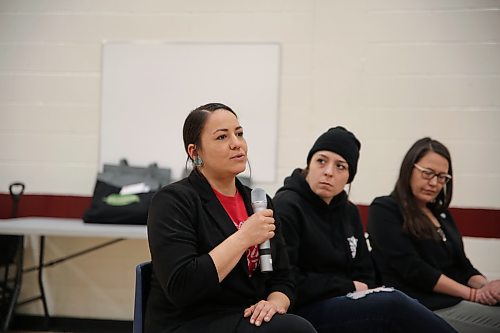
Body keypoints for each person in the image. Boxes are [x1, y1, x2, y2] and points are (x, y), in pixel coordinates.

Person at [145, 103, 317, 333]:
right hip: (189, 321)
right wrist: (244, 237)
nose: (237, 143)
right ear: (195, 153)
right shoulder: (173, 201)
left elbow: (284, 277)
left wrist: (274, 304)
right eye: (222, 137)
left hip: (244, 316)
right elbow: (183, 287)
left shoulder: (258, 201)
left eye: (239, 133)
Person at [273, 127, 457, 333]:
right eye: (321, 161)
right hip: (302, 310)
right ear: (309, 163)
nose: (328, 171)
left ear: (349, 177)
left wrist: (352, 287)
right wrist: (348, 286)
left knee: (395, 300)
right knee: (392, 304)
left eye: (340, 166)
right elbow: (287, 279)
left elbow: (366, 273)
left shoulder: (349, 211)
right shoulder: (287, 205)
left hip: (344, 301)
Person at [367, 137, 500, 333]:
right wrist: (473, 294)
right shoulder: (385, 209)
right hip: (421, 306)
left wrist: (488, 287)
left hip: (454, 300)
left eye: (442, 177)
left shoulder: (441, 214)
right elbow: (415, 270)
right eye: (427, 173)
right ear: (409, 169)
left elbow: (463, 265)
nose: (434, 183)